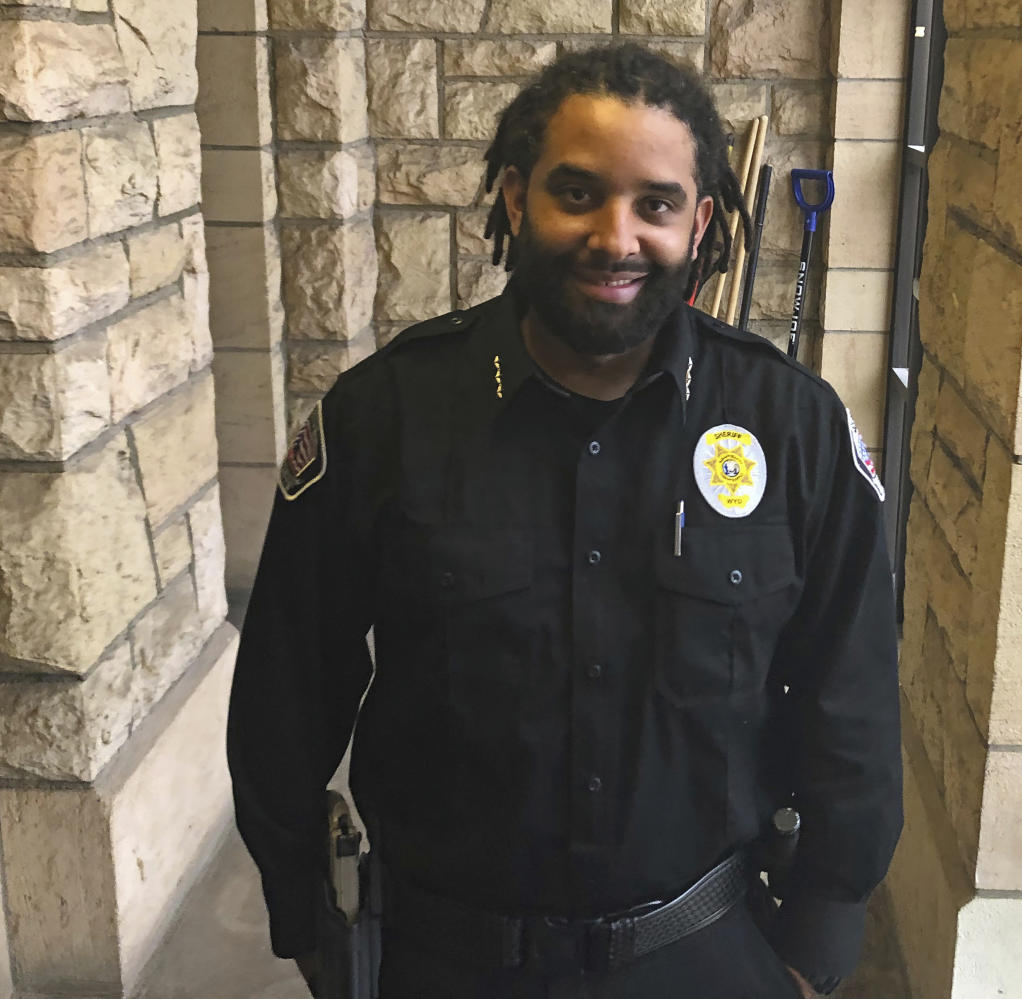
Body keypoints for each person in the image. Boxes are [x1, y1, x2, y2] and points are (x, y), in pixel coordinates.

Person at [227, 43, 902, 999]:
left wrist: (818, 943)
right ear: (514, 199)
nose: (615, 237)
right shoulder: (384, 418)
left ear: (701, 221)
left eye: (655, 205)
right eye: (576, 193)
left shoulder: (793, 428)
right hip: (443, 962)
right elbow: (284, 698)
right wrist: (309, 921)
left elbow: (854, 696)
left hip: (707, 955)